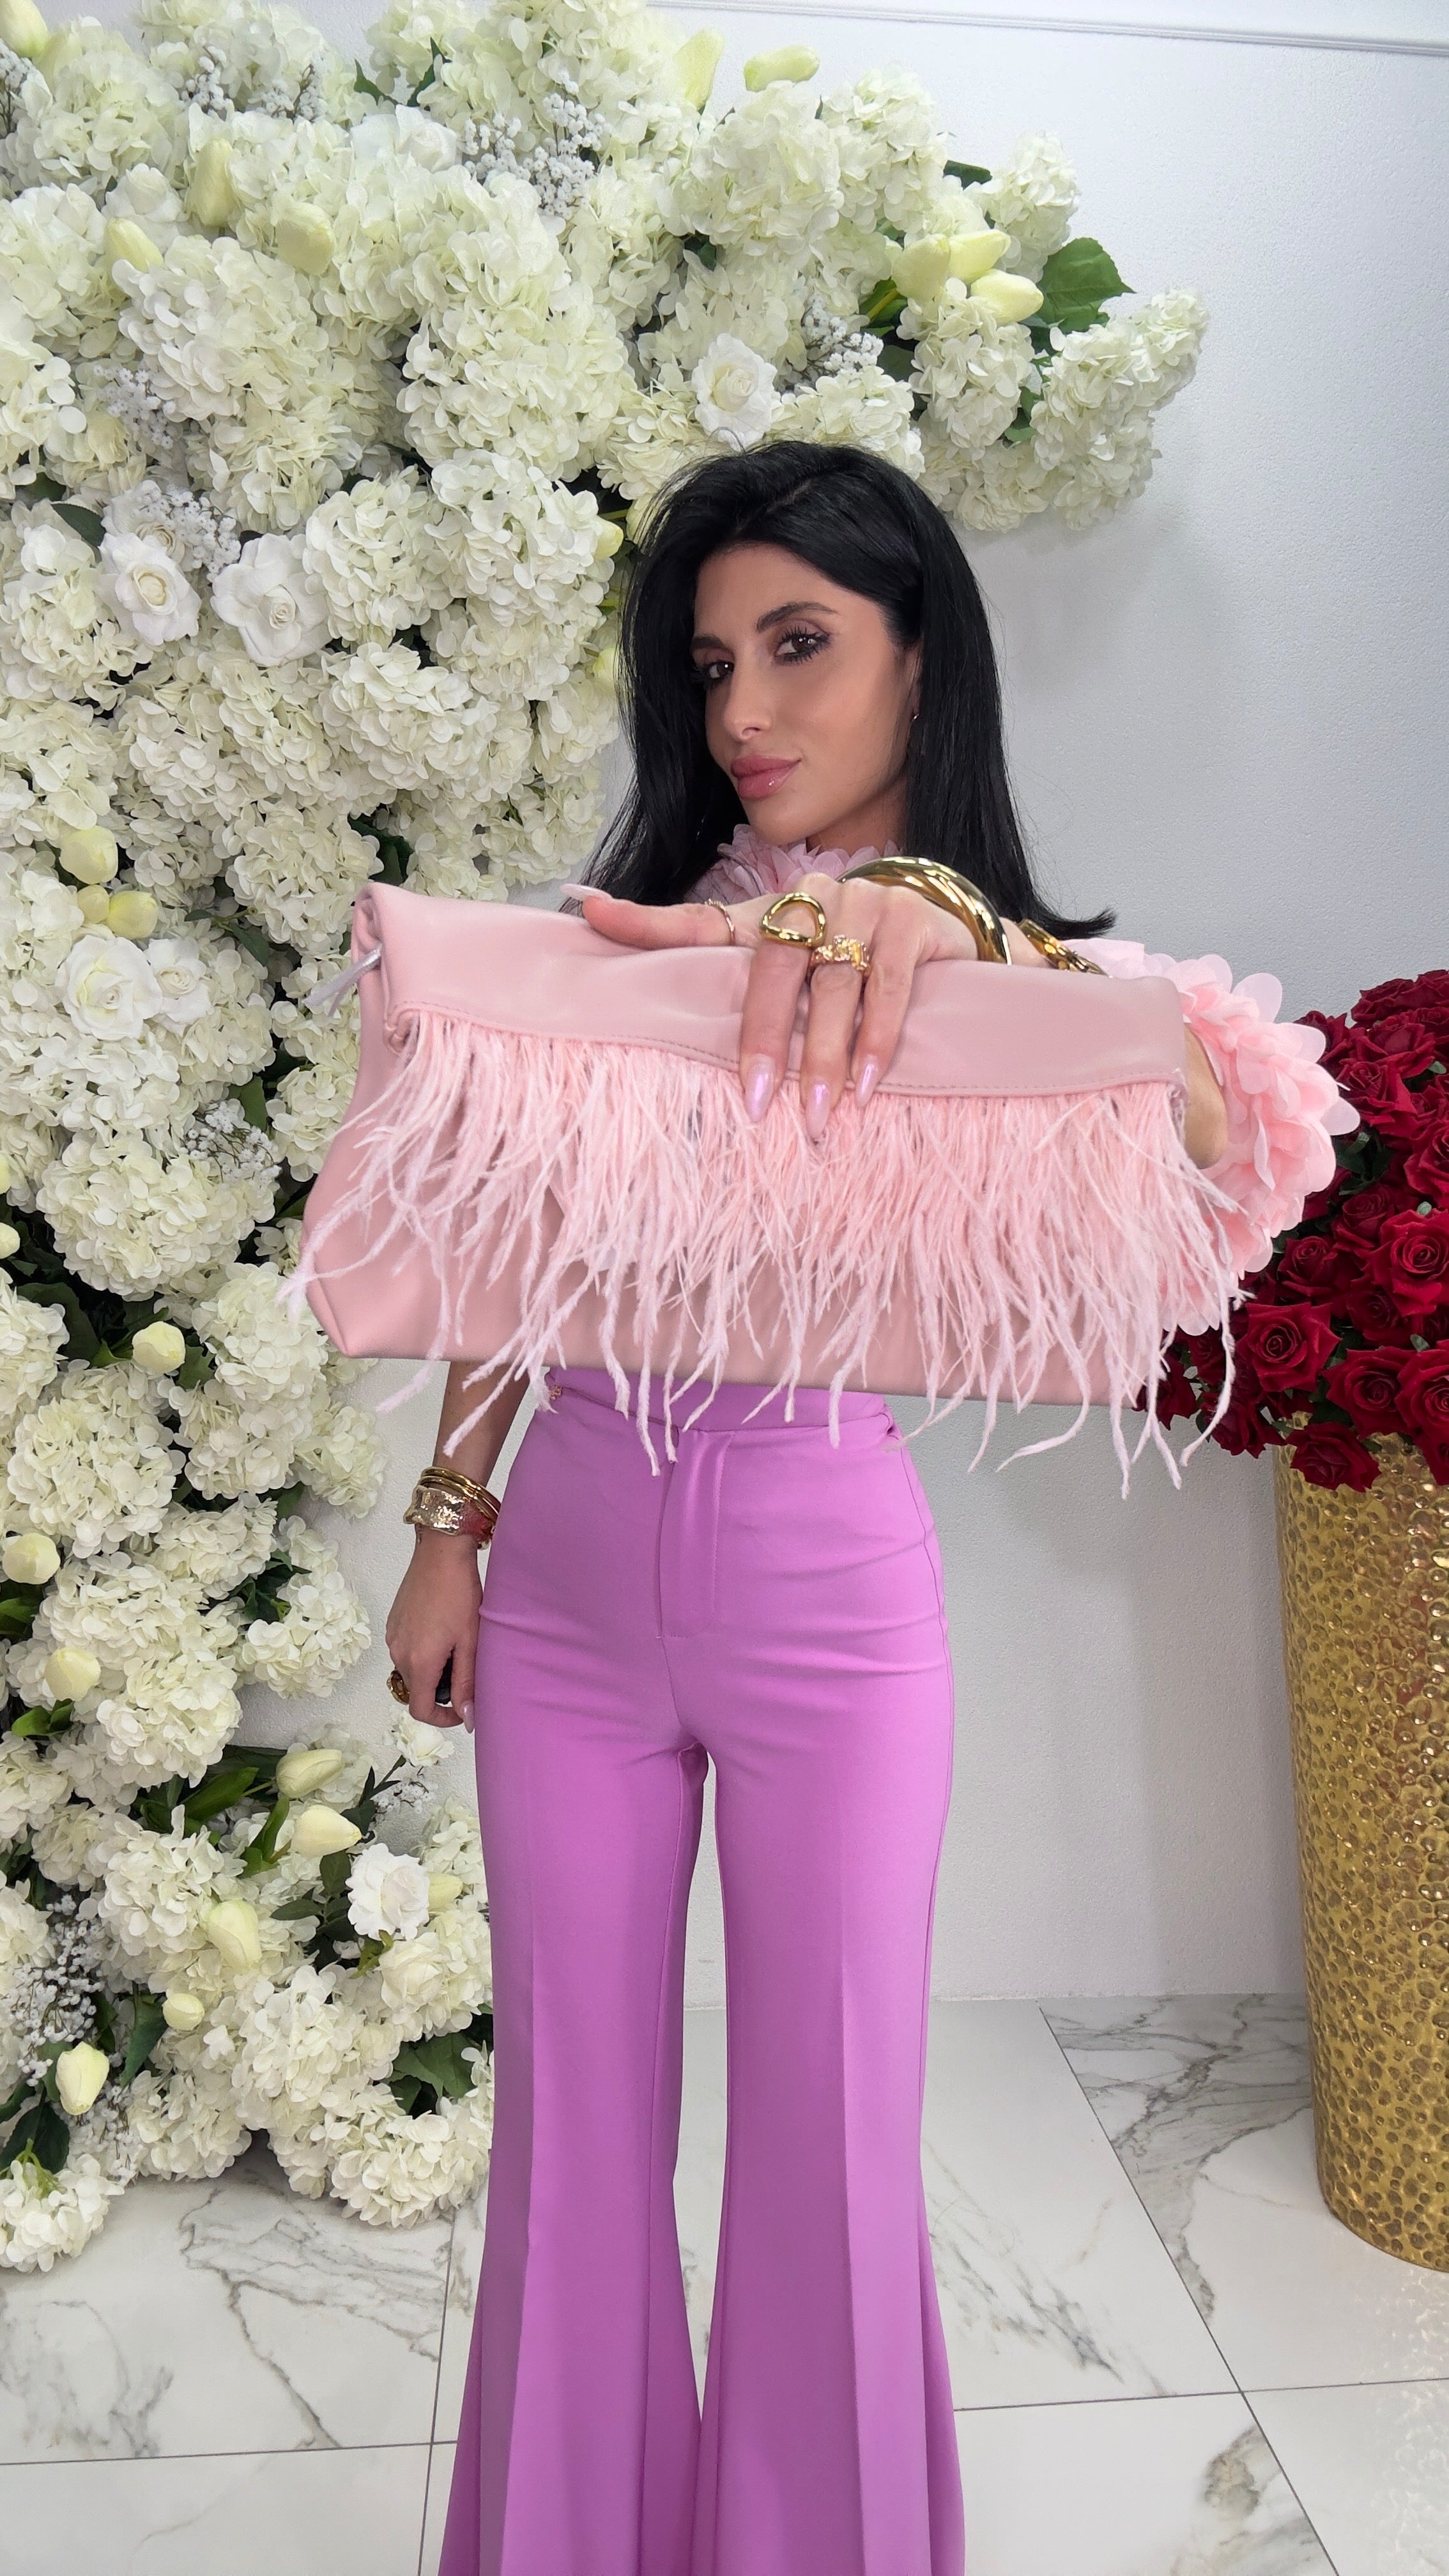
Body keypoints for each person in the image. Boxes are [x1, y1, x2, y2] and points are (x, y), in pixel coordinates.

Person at [385, 442, 1348, 2576]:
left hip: (824, 1588)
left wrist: (959, 925)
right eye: (709, 661)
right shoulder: (638, 937)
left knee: (826, 2145)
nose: (744, 707)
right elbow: (513, 1239)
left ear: (924, 653)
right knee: (568, 2141)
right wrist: (449, 1519)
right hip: (561, 1587)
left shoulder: (1006, 981)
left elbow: (1237, 1140)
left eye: (798, 644)